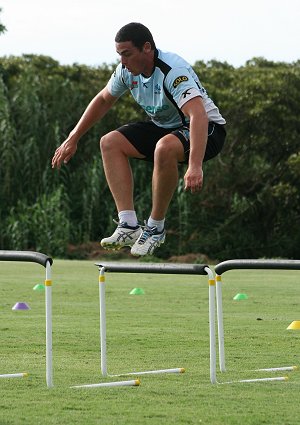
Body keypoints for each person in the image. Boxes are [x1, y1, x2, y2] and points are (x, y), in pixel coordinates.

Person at [52, 22, 226, 257]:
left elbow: (198, 115)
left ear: (147, 48)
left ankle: (155, 228)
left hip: (207, 130)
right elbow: (103, 100)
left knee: (164, 147)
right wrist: (73, 138)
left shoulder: (172, 70)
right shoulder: (125, 71)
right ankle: (129, 225)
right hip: (164, 127)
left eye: (127, 54)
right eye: (119, 55)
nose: (123, 61)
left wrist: (195, 165)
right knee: (110, 142)